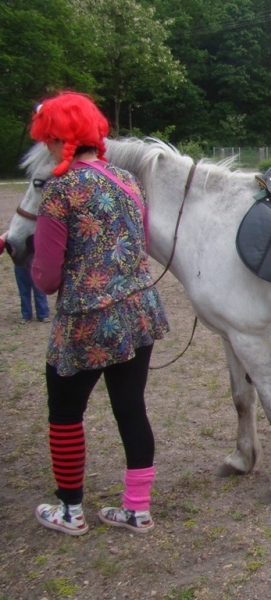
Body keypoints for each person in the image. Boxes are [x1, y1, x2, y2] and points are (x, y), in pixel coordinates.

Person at [28, 91, 169, 536]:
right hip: (137, 311)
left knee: (65, 413)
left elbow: (47, 279)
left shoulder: (60, 189)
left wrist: (34, 263)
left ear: (56, 138)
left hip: (87, 320)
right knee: (131, 408)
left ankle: (70, 511)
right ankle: (136, 509)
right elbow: (139, 243)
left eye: (47, 137)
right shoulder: (127, 180)